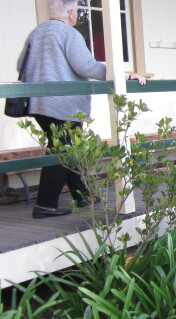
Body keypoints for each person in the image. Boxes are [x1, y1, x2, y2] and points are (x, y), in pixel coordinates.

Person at [20, 0, 146, 219]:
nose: (77, 15)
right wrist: (124, 76)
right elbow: (87, 66)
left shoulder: (37, 32)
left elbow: (21, 63)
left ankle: (83, 195)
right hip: (63, 105)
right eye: (77, 11)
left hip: (38, 103)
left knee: (66, 148)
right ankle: (45, 206)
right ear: (70, 13)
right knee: (64, 151)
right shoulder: (69, 34)